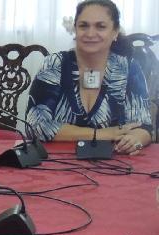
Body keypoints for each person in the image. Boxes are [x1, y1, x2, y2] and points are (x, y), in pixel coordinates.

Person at [26, 0, 152, 154]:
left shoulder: (128, 67)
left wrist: (135, 139)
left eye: (101, 26)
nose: (90, 33)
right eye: (84, 25)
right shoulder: (54, 64)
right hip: (57, 162)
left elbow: (143, 127)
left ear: (115, 32)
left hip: (114, 162)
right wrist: (101, 134)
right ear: (75, 29)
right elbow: (35, 126)